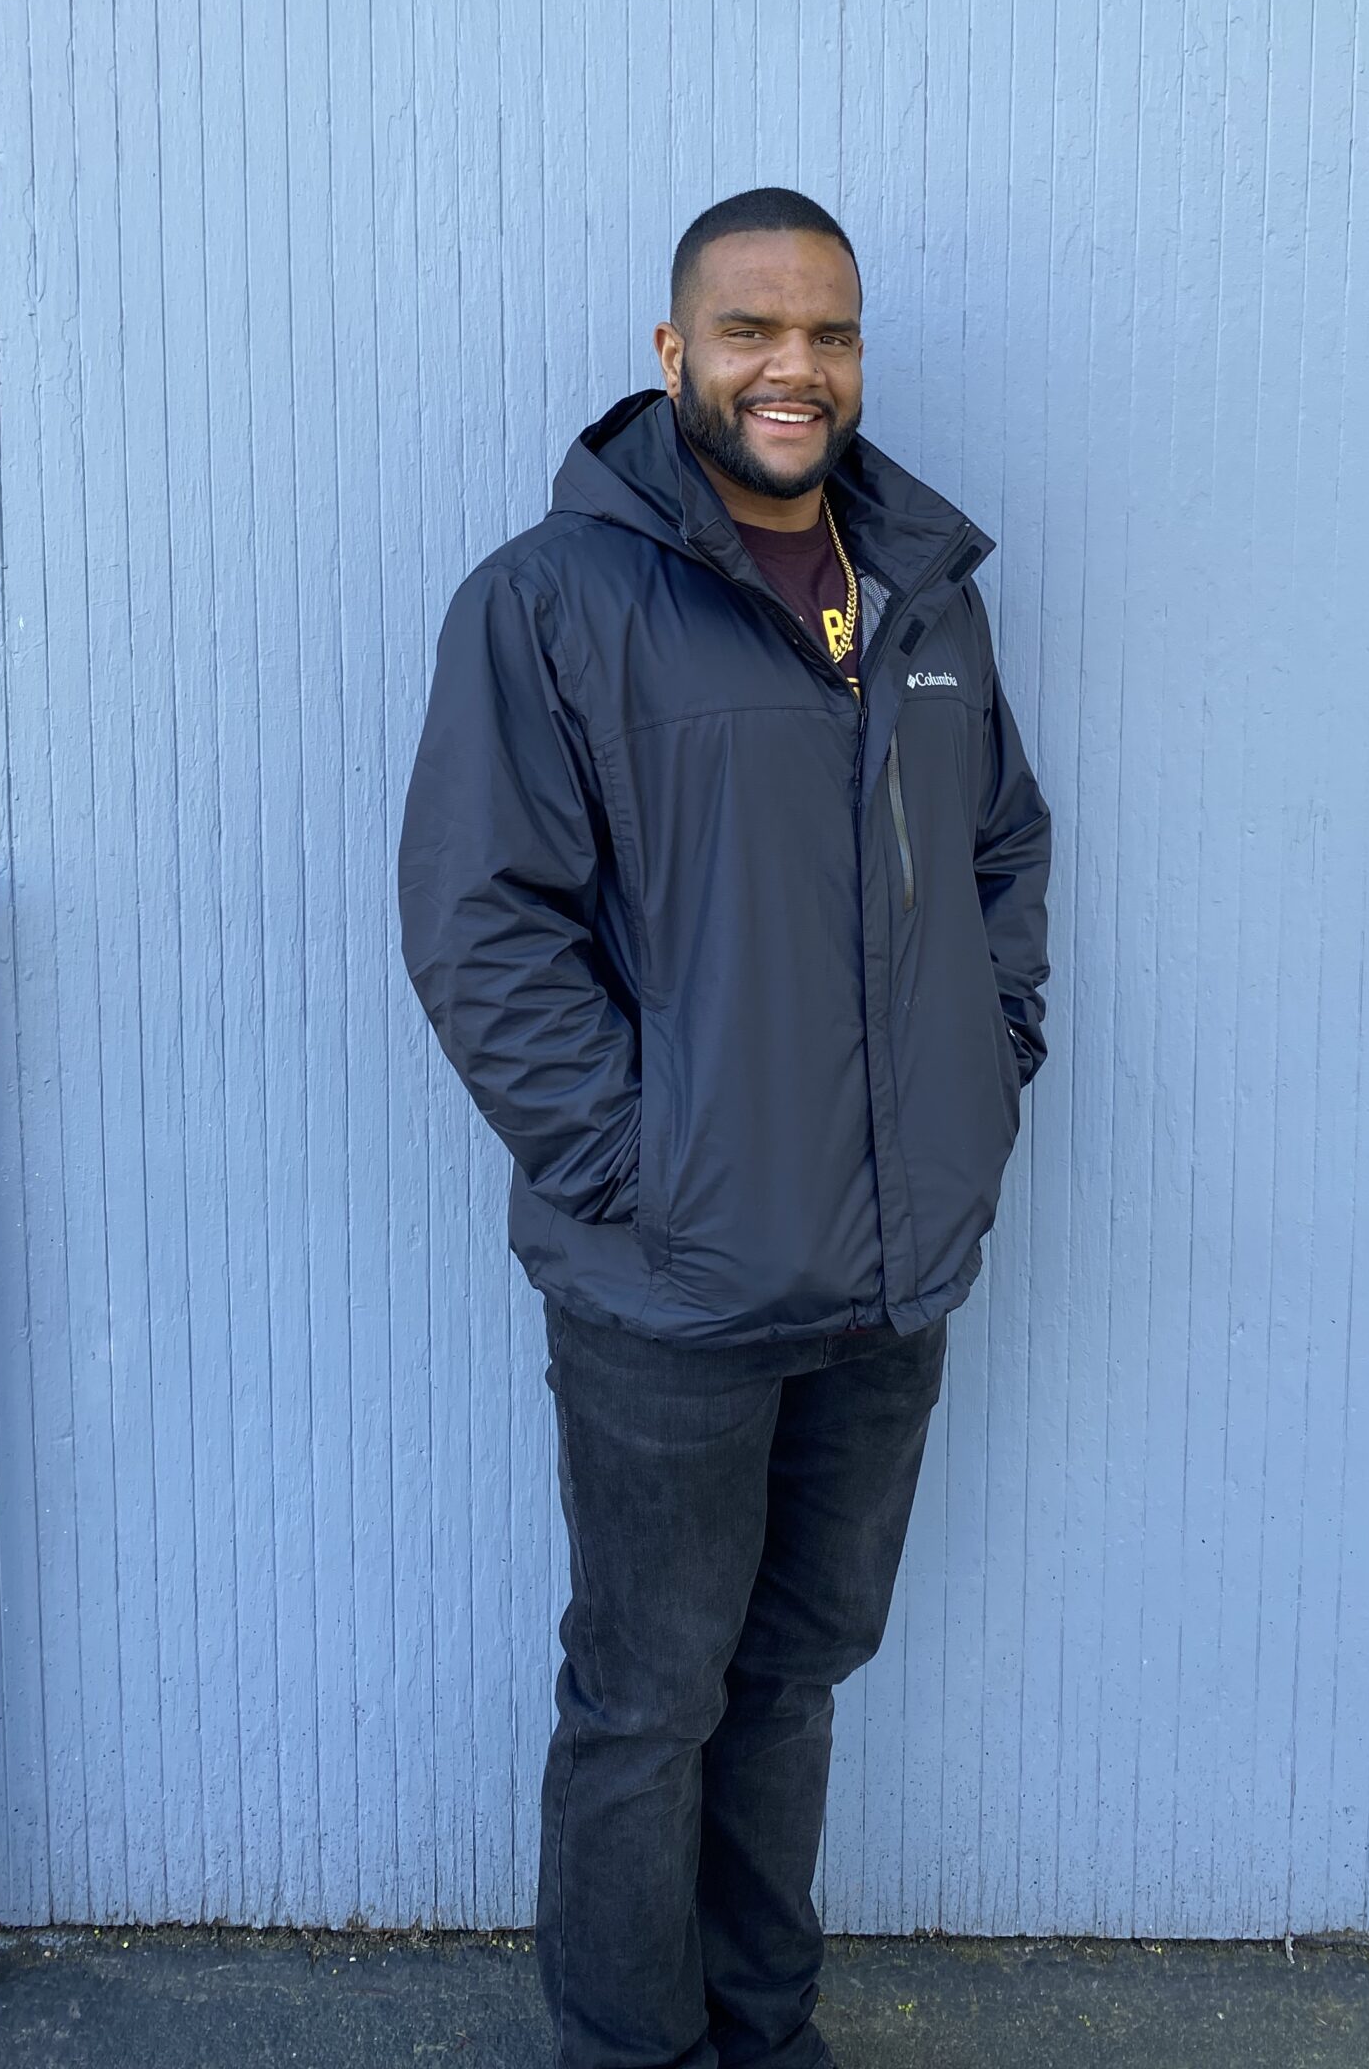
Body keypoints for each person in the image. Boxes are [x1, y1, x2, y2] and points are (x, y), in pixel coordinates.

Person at [397, 187, 1053, 2069]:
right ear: (673, 355)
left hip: (886, 1278)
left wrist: (984, 1063)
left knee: (794, 1683)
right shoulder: (550, 602)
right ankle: (631, 2048)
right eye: (754, 331)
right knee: (647, 1701)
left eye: (829, 335)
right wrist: (636, 1172)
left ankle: (767, 2032)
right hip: (669, 1291)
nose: (797, 368)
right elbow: (479, 918)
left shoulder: (920, 597)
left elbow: (1003, 847)